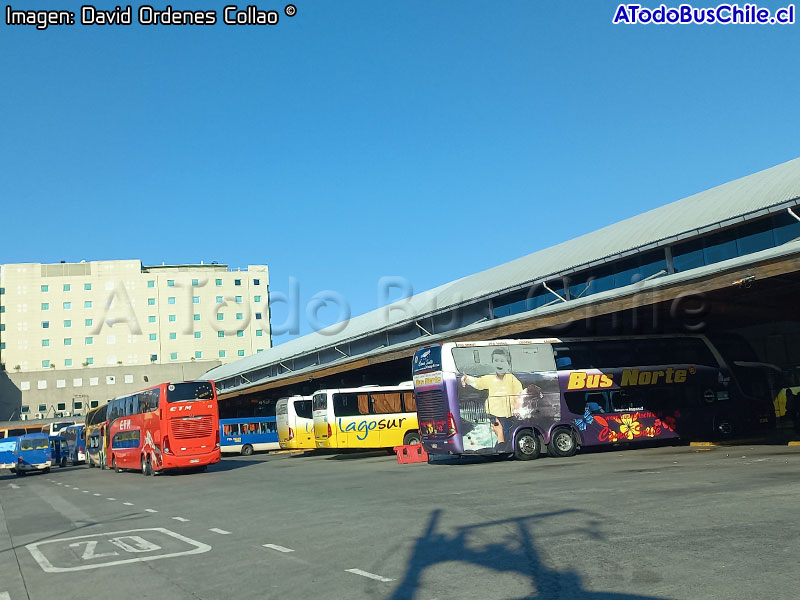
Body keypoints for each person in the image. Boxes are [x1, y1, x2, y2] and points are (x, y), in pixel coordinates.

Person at [461, 348, 523, 450]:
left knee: (506, 432)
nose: (499, 363)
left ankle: (501, 446)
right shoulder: (490, 378)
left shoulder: (512, 379)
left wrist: (516, 407)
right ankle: (499, 447)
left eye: (502, 361)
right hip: (493, 413)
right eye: (496, 361)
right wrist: (467, 379)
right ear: (493, 363)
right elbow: (479, 383)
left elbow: (519, 394)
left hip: (507, 414)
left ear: (508, 364)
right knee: (500, 431)